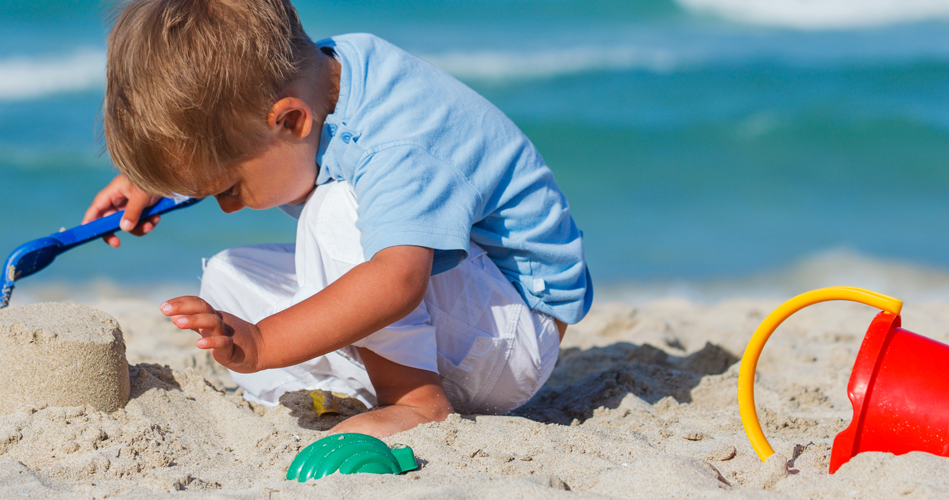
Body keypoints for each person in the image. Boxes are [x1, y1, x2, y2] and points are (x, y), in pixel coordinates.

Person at [84, 0, 592, 437]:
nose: (227, 205)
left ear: (290, 121)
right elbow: (229, 126)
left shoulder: (396, 140)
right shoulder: (319, 74)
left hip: (513, 336)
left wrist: (263, 342)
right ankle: (335, 394)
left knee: (334, 211)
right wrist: (160, 175)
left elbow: (400, 280)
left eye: (229, 188)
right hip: (464, 318)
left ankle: (415, 401)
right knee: (226, 277)